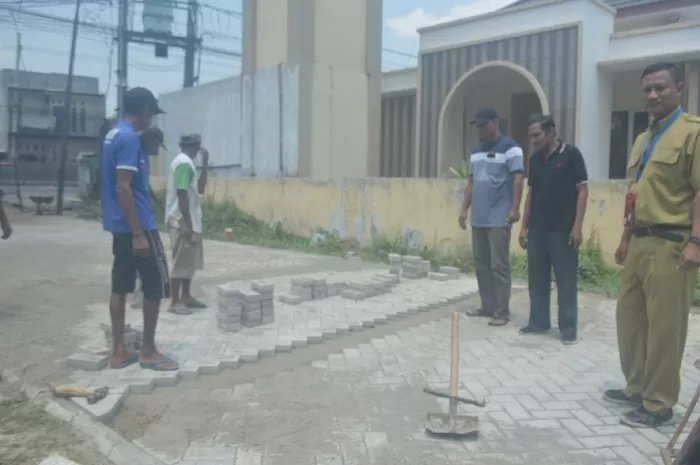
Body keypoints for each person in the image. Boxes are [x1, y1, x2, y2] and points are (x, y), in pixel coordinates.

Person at [605, 61, 700, 428]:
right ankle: (637, 387)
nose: (653, 95)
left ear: (679, 88)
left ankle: (659, 404)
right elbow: (635, 192)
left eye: (660, 87)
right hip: (639, 241)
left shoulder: (692, 133)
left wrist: (696, 242)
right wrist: (626, 237)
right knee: (629, 321)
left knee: (664, 328)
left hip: (672, 243)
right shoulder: (642, 139)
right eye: (647, 89)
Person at [101, 86, 178, 371]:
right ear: (144, 109)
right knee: (155, 286)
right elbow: (123, 187)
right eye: (151, 114)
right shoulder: (129, 139)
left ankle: (119, 351)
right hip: (138, 226)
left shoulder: (111, 135)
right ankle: (148, 350)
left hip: (119, 226)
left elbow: (112, 185)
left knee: (120, 286)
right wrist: (138, 233)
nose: (151, 121)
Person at [518, 114, 588, 345]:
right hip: (538, 230)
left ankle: (568, 329)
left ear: (551, 133)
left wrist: (577, 226)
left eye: (537, 135)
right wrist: (524, 226)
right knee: (537, 279)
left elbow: (582, 191)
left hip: (562, 230)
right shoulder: (535, 159)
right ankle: (539, 321)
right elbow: (531, 194)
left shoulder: (571, 155)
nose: (533, 140)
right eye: (531, 136)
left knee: (565, 281)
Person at [459, 108, 525, 327]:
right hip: (479, 217)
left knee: (499, 264)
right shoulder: (476, 152)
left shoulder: (511, 148)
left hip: (502, 217)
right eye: (477, 126)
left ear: (495, 123)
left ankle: (502, 310)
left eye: (483, 125)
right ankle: (487, 305)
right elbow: (471, 183)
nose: (480, 129)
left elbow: (518, 178)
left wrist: (515, 209)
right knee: (481, 264)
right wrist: (463, 210)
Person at [165, 133, 209, 315]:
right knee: (181, 261)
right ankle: (175, 300)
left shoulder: (188, 163)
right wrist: (187, 224)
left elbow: (200, 189)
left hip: (190, 219)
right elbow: (182, 193)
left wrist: (205, 164)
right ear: (195, 147)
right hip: (182, 220)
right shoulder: (183, 163)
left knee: (189, 261)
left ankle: (186, 296)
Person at [130, 126, 167, 310]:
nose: (158, 150)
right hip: (140, 221)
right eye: (158, 146)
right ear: (152, 141)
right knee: (153, 265)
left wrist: (158, 201)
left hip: (146, 214)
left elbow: (145, 185)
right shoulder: (135, 154)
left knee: (143, 261)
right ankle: (140, 296)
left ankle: (139, 294)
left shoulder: (145, 159)